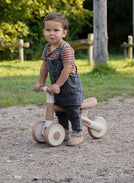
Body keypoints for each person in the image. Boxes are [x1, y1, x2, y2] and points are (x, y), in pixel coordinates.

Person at [34, 12, 84, 146]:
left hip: (70, 89)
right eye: (48, 30)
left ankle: (77, 132)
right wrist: (41, 82)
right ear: (43, 31)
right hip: (57, 89)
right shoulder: (47, 49)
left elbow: (67, 68)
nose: (51, 33)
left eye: (56, 30)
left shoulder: (66, 49)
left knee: (72, 111)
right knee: (59, 110)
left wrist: (58, 84)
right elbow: (44, 66)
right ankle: (64, 131)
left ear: (64, 33)